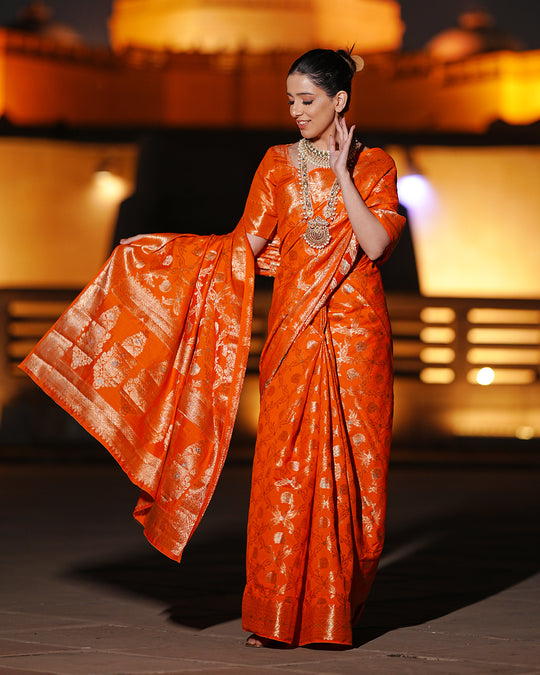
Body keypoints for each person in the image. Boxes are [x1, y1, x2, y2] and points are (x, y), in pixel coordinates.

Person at [21, 48, 405, 649]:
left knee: (355, 477)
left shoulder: (376, 165)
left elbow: (378, 243)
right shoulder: (276, 164)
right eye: (290, 102)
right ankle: (276, 616)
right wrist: (160, 256)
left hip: (359, 338)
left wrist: (337, 173)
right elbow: (242, 247)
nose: (296, 112)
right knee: (281, 471)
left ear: (340, 102)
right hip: (292, 336)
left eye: (307, 101)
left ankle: (336, 612)